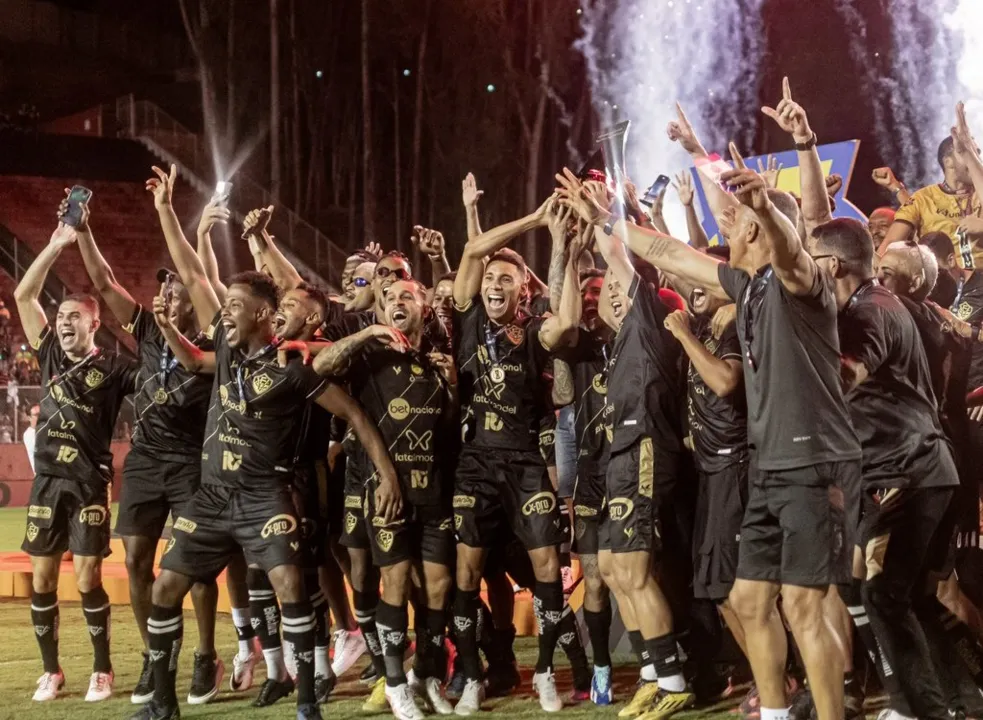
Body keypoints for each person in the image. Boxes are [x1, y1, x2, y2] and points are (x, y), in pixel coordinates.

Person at [556, 86, 861, 720]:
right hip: (769, 466)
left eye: (736, 220)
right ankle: (776, 713)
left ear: (756, 230)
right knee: (750, 602)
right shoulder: (742, 283)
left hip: (812, 464)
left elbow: (794, 238)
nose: (725, 223)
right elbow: (668, 253)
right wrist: (607, 222)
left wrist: (776, 200)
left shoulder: (800, 283)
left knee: (803, 604)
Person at [133, 164, 400, 720]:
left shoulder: (291, 365)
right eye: (223, 306)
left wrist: (388, 475)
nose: (222, 313)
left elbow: (354, 414)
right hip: (211, 497)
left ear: (261, 314)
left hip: (263, 495)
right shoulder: (227, 350)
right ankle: (161, 702)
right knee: (164, 590)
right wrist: (165, 211)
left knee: (288, 582)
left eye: (233, 307)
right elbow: (192, 277)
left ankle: (307, 700)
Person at [71, 188, 225, 705]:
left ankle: (206, 655)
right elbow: (103, 282)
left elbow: (202, 278)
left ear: (193, 298)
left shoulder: (211, 340)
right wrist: (83, 230)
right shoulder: (148, 331)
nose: (166, 294)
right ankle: (155, 655)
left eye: (175, 287)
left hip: (191, 462)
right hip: (145, 460)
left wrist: (176, 219)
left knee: (193, 564)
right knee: (137, 559)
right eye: (163, 287)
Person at [813, 218, 958, 720]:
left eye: (813, 261)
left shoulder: (869, 313)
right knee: (875, 589)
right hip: (900, 468)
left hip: (908, 471)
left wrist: (799, 354)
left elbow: (850, 372)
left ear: (833, 265)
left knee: (885, 593)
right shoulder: (869, 303)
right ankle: (923, 702)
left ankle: (921, 708)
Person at [449, 198, 582, 714]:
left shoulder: (532, 330)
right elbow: (472, 250)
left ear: (524, 289)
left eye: (507, 279)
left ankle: (547, 670)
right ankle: (470, 674)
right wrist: (532, 219)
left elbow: (567, 323)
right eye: (491, 279)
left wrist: (564, 248)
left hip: (526, 462)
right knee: (466, 575)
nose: (495, 286)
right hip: (475, 464)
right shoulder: (466, 319)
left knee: (548, 566)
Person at [310, 278, 458, 720]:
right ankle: (394, 685)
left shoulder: (436, 360)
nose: (396, 302)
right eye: (388, 298)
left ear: (424, 307)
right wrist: (367, 333)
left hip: (433, 490)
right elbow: (320, 366)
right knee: (393, 582)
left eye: (406, 296)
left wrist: (452, 387)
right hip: (387, 491)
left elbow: (447, 431)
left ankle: (426, 675)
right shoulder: (368, 357)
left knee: (437, 588)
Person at [13, 220, 138, 704]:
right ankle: (52, 671)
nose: (63, 322)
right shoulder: (48, 355)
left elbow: (152, 382)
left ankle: (102, 670)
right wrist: (54, 244)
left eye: (73, 316)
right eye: (59, 315)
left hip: (88, 482)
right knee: (43, 580)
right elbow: (25, 296)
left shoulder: (113, 368)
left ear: (94, 323)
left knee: (87, 578)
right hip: (48, 482)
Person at [552, 266, 618, 705]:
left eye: (598, 290)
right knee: (593, 580)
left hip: (637, 471)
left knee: (638, 576)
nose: (591, 298)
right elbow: (562, 407)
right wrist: (567, 493)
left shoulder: (634, 336)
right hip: (593, 478)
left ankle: (663, 664)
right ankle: (602, 669)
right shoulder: (574, 351)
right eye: (585, 292)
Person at [23, 403, 40, 472]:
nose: (40, 417)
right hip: (42, 477)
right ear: (29, 418)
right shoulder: (28, 434)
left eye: (41, 414)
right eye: (36, 415)